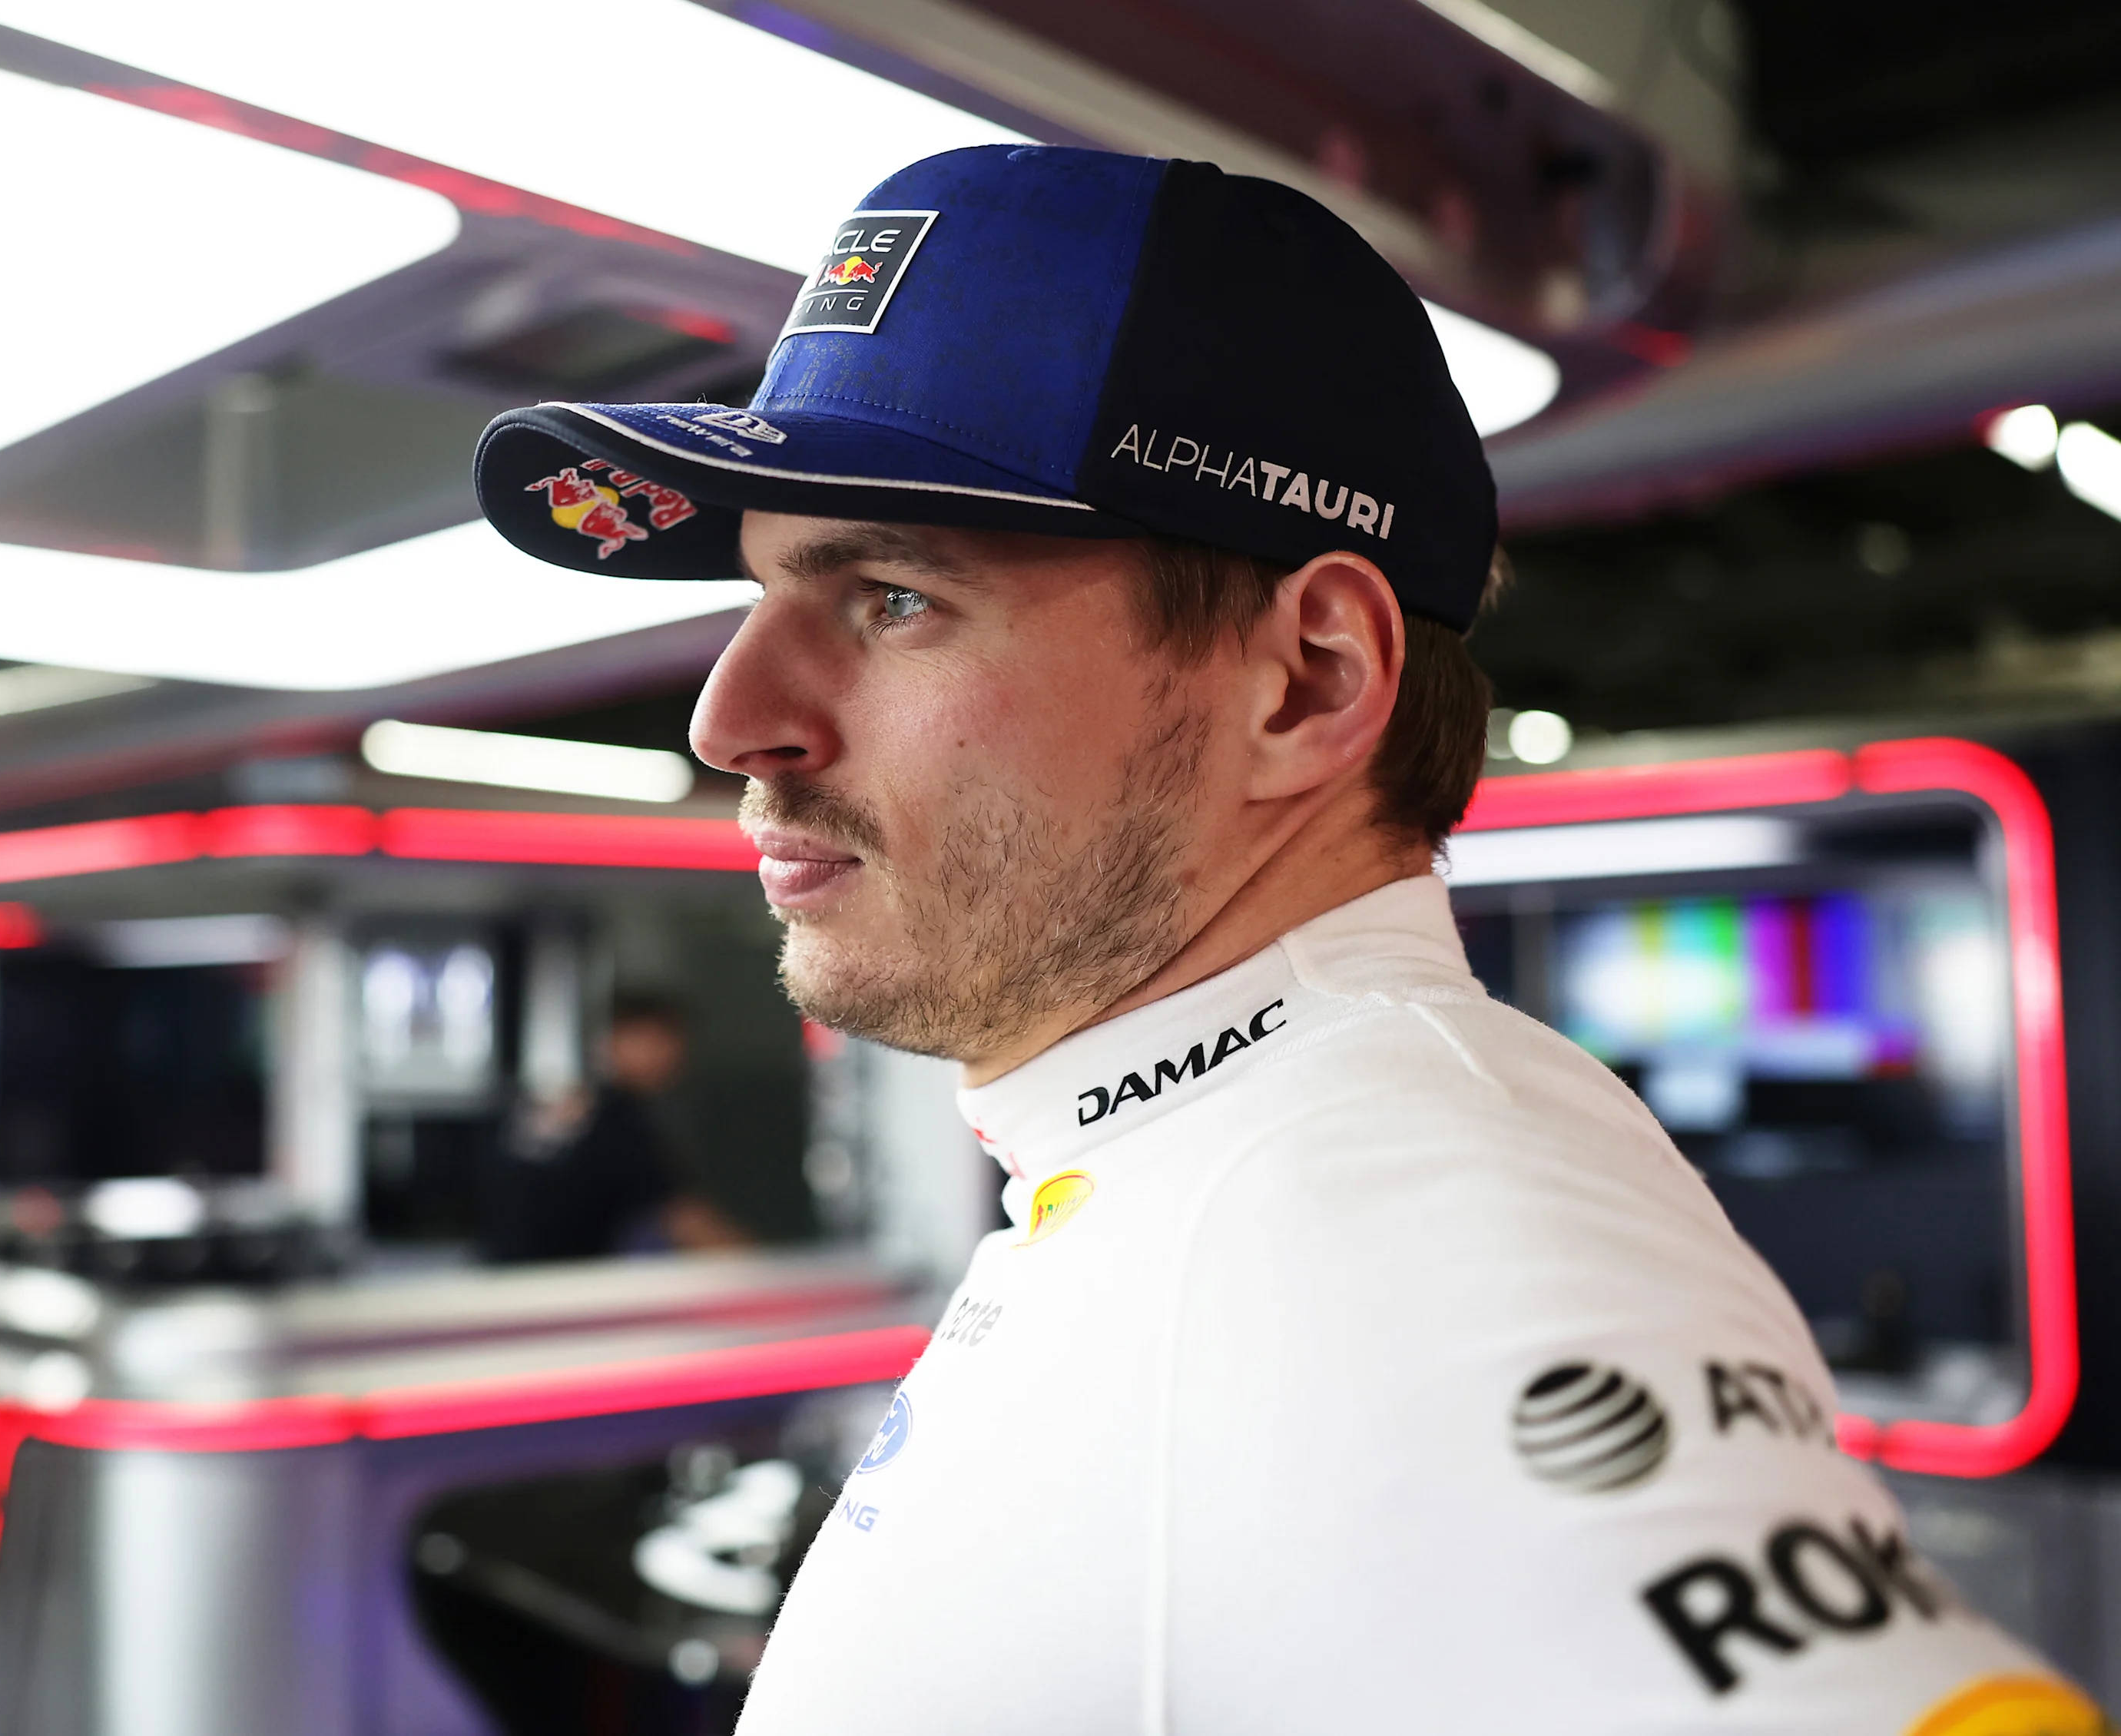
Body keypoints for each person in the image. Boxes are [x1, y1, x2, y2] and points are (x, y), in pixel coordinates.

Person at [472, 146, 2099, 1730]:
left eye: (892, 593)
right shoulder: (1205, 1148)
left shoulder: (1390, 1196)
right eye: (754, 600)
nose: (728, 716)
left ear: (1308, 675)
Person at [478, 993, 750, 1263]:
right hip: (549, 1287)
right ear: (611, 1041)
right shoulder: (616, 1118)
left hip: (508, 1280)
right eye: (653, 1039)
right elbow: (687, 1220)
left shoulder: (577, 1105)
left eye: (675, 1041)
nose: (672, 1055)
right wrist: (763, 1271)